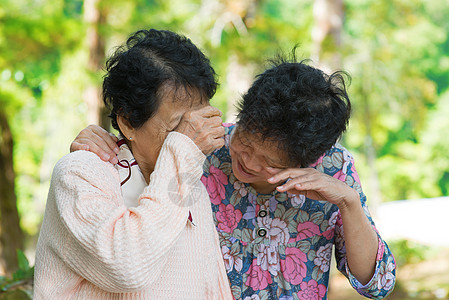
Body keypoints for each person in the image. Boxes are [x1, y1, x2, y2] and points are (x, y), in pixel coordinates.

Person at [72, 56, 396, 298]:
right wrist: (99, 140)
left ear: (311, 160)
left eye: (269, 162)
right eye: (245, 140)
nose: (247, 161)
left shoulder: (335, 169)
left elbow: (377, 284)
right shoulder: (203, 147)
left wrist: (349, 203)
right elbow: (139, 153)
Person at [34, 29, 234, 299]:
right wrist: (183, 151)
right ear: (128, 121)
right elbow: (128, 268)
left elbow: (211, 285)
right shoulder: (79, 173)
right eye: (179, 126)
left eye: (198, 121)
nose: (194, 135)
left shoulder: (187, 180)